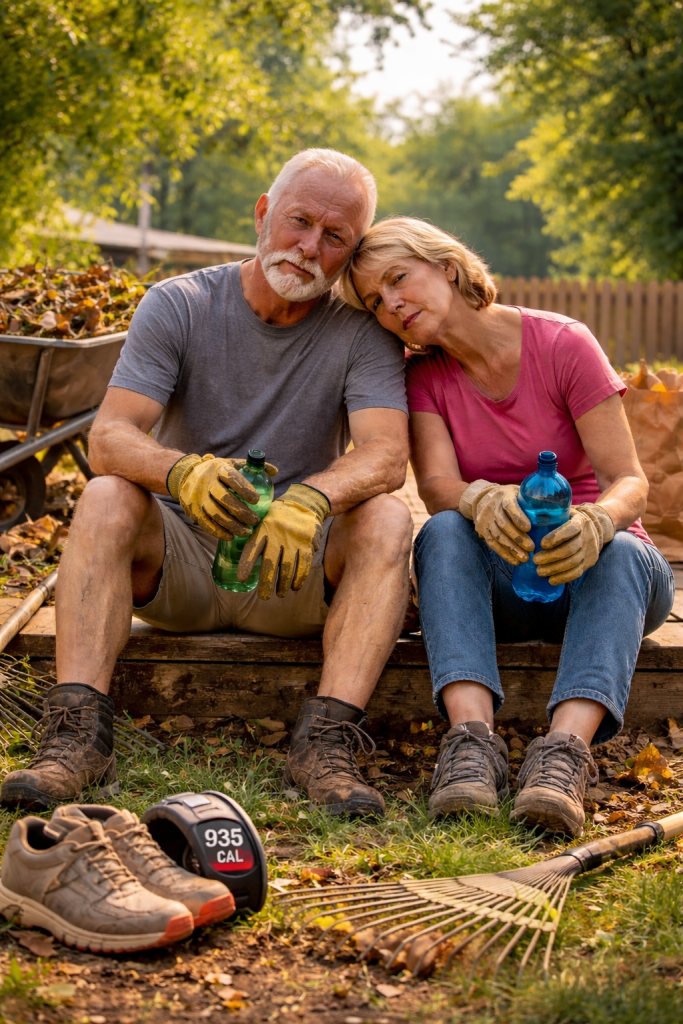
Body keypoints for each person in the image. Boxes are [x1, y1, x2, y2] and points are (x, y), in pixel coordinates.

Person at [1, 150, 413, 817]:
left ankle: (326, 745)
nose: (308, 247)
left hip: (292, 568)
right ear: (262, 213)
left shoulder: (360, 335)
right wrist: (181, 470)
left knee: (390, 518)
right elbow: (108, 436)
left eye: (334, 237)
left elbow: (386, 455)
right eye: (298, 221)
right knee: (106, 494)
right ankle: (78, 737)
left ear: (351, 249)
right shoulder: (180, 303)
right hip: (180, 566)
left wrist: (312, 499)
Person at [340, 216, 674, 836]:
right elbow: (437, 486)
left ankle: (563, 758)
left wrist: (599, 520)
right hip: (505, 587)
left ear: (446, 265)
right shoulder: (423, 377)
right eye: (375, 301)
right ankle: (471, 746)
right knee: (440, 532)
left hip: (600, 576)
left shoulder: (563, 344)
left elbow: (631, 480)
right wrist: (478, 500)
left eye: (398, 279)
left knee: (624, 553)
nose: (391, 305)